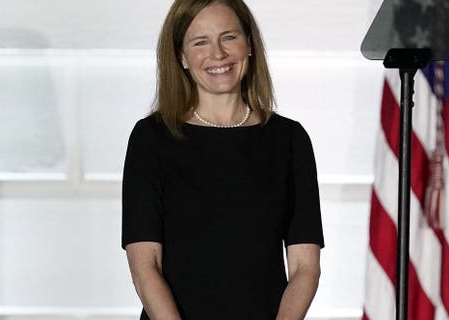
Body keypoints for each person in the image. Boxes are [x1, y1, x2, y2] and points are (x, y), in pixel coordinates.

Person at [121, 0, 324, 319]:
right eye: (200, 42)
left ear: (250, 45)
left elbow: (304, 266)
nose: (218, 54)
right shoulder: (151, 138)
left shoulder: (290, 140)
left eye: (229, 37)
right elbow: (145, 264)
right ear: (182, 57)